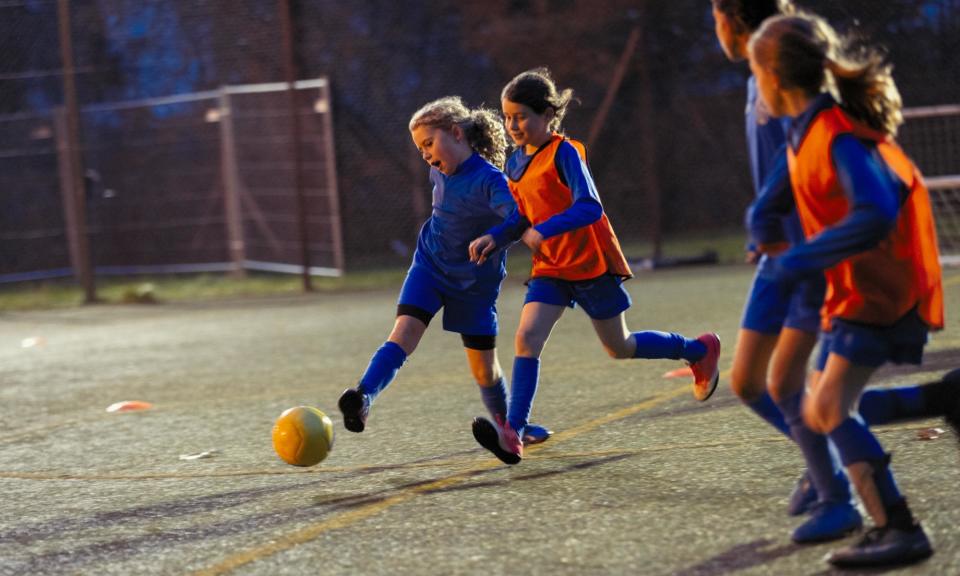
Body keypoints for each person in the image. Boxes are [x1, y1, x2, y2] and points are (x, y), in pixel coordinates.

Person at [749, 13, 960, 567]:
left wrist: (797, 258)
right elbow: (778, 191)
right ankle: (944, 398)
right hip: (859, 289)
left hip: (881, 289)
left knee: (827, 409)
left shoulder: (835, 134)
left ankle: (900, 529)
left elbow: (876, 209)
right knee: (823, 407)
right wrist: (763, 221)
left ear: (774, 74)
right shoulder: (804, 131)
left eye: (754, 70)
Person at [468, 68, 721, 465]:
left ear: (547, 115)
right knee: (526, 338)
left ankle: (697, 350)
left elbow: (590, 206)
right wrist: (495, 237)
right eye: (507, 116)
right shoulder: (515, 162)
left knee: (619, 347)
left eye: (521, 116)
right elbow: (521, 218)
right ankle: (513, 432)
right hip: (551, 268)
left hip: (589, 264)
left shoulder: (565, 153)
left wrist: (546, 229)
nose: (512, 125)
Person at [711, 0, 862, 543]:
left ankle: (839, 494)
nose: (715, 30)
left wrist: (770, 214)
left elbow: (799, 152)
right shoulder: (759, 74)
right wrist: (766, 228)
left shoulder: (778, 68)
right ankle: (825, 468)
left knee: (794, 384)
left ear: (731, 16)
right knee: (750, 383)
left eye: (715, 16)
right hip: (780, 255)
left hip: (809, 256)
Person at [337, 96, 551, 446]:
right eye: (420, 148)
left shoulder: (490, 181)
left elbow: (519, 217)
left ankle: (511, 430)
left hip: (474, 285)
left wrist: (496, 238)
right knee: (403, 334)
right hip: (430, 267)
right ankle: (362, 399)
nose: (425, 154)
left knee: (485, 370)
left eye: (428, 143)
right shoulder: (438, 168)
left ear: (456, 133)